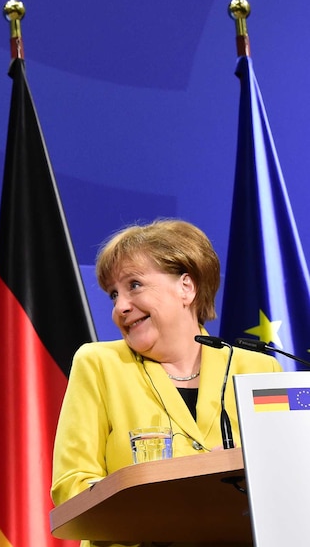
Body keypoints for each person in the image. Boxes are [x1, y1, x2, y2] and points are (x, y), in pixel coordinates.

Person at [51, 219, 281, 547]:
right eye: (113, 294)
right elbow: (71, 486)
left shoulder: (260, 370)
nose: (120, 307)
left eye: (134, 285)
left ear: (186, 287)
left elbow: (291, 480)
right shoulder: (99, 364)